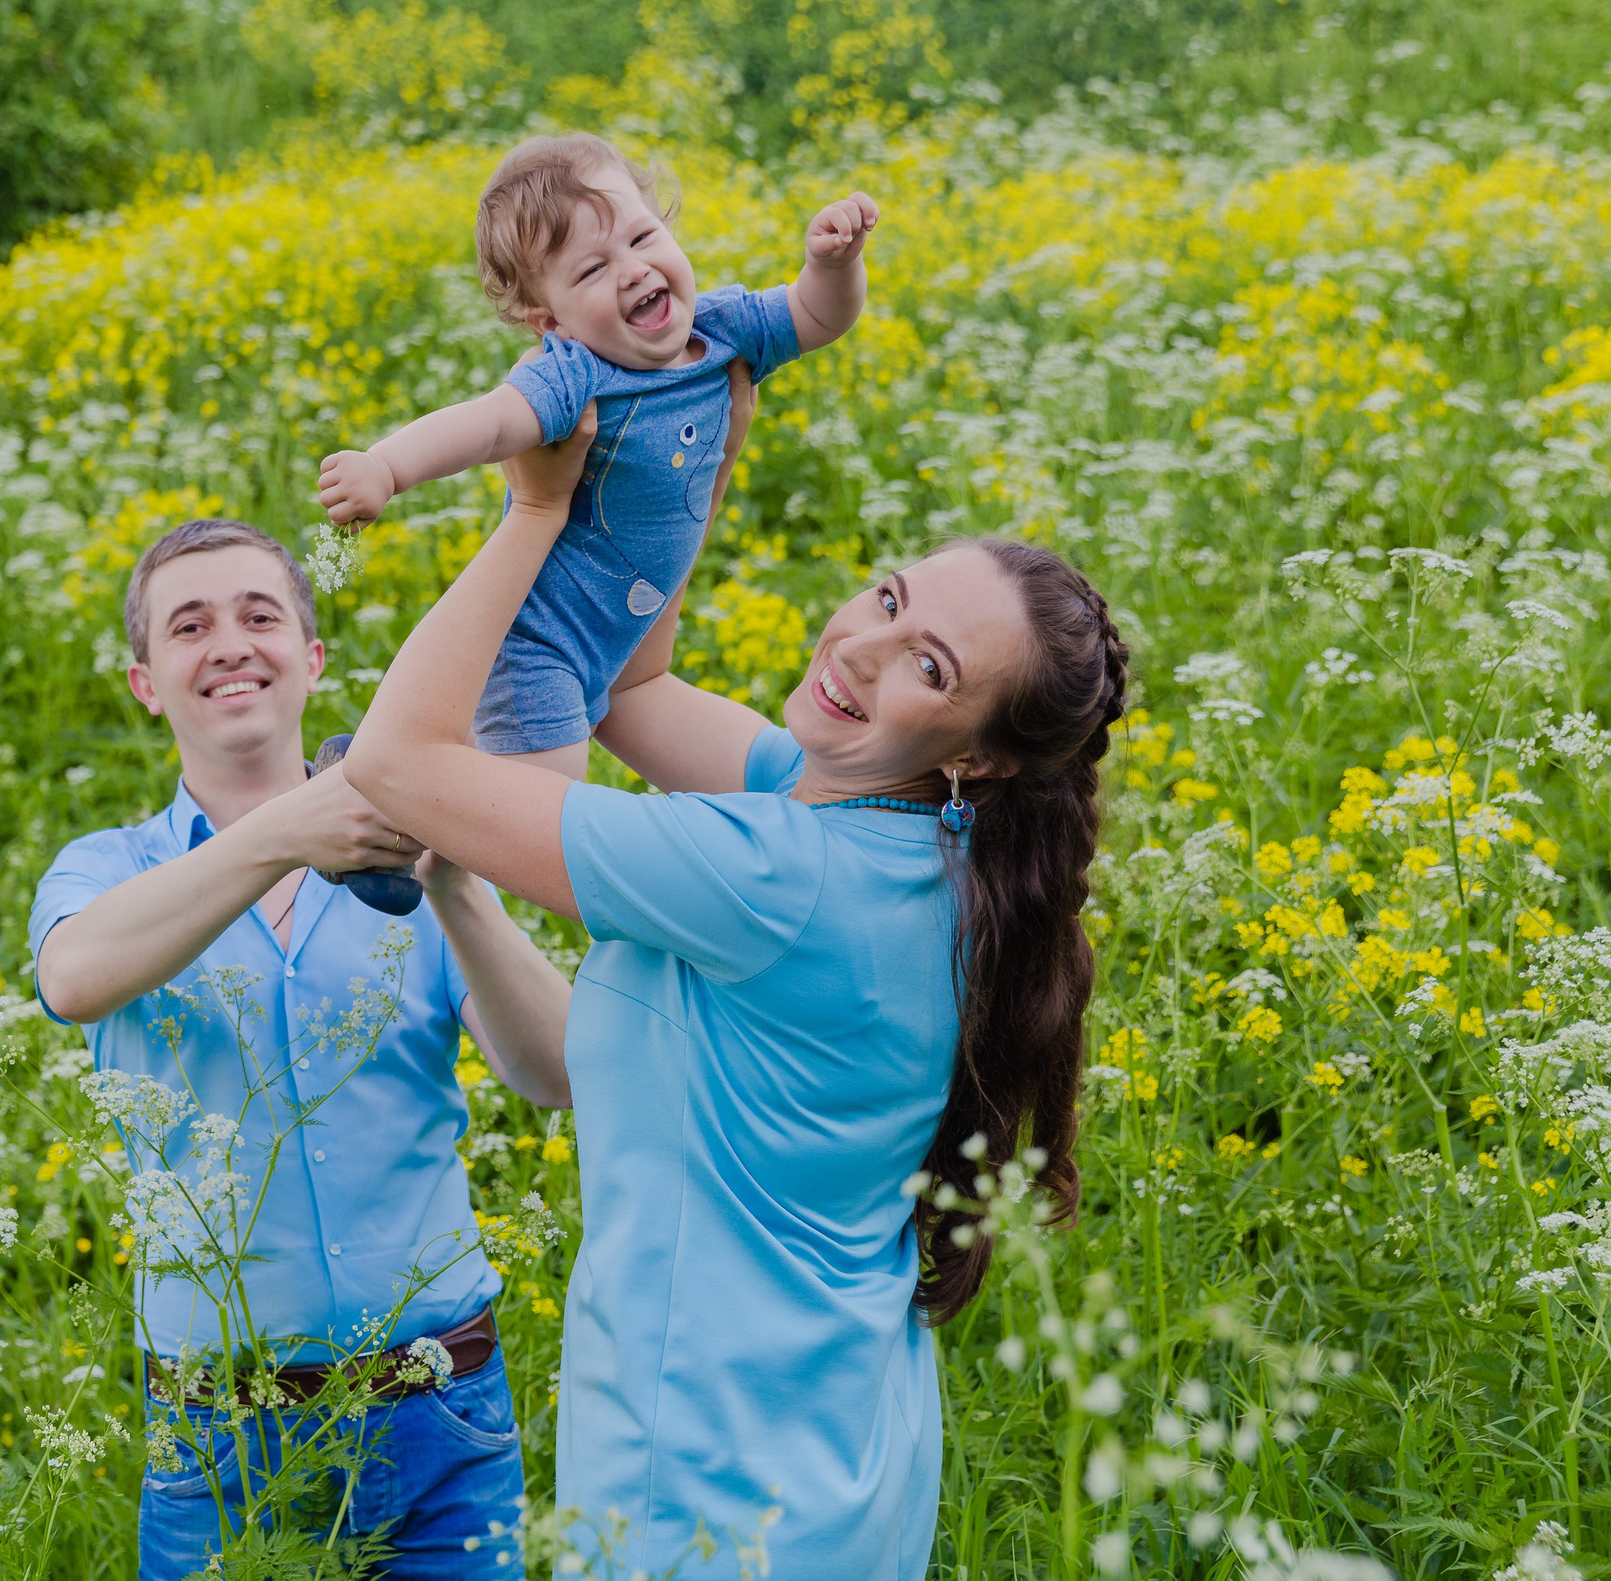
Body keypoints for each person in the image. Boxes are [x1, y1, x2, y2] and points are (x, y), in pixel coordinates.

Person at [343, 430, 1129, 1579]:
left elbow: (395, 763)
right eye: (887, 598)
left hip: (712, 1490)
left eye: (928, 668)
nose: (859, 647)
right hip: (838, 1455)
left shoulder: (776, 875)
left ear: (984, 757)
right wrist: (688, 469)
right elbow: (633, 690)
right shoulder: (925, 848)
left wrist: (533, 514)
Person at [27, 518, 575, 1580]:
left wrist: (455, 878)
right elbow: (73, 979)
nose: (230, 643)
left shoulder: (410, 862)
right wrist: (284, 832)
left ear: (312, 659)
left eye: (259, 616)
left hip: (440, 1412)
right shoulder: (106, 869)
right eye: (190, 626)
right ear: (146, 684)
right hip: (223, 1435)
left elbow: (553, 1074)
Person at [315, 131, 880, 782]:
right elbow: (488, 425)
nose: (633, 270)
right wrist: (386, 468)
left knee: (491, 794)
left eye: (642, 237)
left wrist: (833, 267)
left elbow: (816, 315)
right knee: (548, 814)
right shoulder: (575, 375)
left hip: (625, 653)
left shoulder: (725, 328)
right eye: (591, 270)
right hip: (541, 650)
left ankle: (375, 804)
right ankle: (372, 800)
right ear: (551, 323)